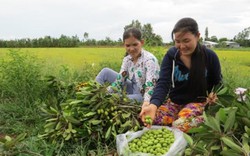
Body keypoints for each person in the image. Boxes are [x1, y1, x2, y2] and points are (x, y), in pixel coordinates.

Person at [140, 17, 222, 132]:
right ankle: (178, 120)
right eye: (178, 41)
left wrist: (215, 95)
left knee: (180, 125)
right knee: (151, 118)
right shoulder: (171, 56)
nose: (182, 46)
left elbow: (218, 84)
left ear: (197, 36)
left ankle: (204, 119)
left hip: (197, 103)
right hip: (175, 102)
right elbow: (163, 83)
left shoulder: (209, 56)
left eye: (186, 41)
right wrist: (153, 105)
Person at [95, 27, 160, 106]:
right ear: (124, 45)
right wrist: (106, 92)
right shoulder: (127, 59)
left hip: (144, 96)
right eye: (128, 45)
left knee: (117, 98)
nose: (131, 49)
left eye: (135, 44)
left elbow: (150, 86)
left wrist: (146, 103)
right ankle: (94, 93)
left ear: (142, 42)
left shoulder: (149, 60)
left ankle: (105, 99)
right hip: (133, 89)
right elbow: (120, 80)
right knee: (105, 72)